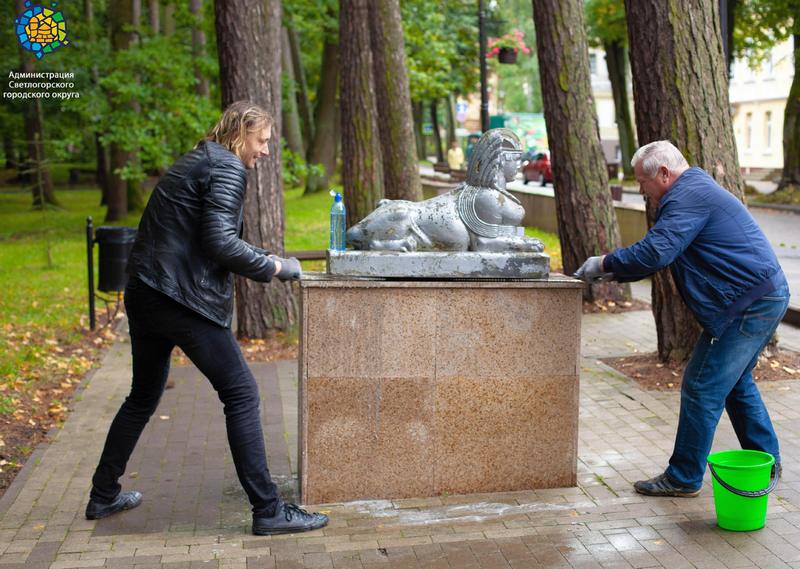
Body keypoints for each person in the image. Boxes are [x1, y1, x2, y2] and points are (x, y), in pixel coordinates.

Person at [85, 101, 329, 536]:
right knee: (241, 393)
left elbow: (205, 233)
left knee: (142, 397)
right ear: (242, 133)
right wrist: (274, 268)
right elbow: (218, 241)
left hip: (146, 291)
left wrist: (261, 255)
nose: (266, 152)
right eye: (263, 141)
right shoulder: (229, 168)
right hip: (181, 299)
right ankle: (268, 509)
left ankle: (103, 494)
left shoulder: (198, 160)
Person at [575, 140, 789, 497]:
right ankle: (767, 461)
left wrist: (605, 263)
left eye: (643, 182)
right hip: (759, 297)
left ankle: (684, 476)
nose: (642, 191)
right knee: (734, 383)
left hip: (749, 304)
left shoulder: (688, 195)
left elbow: (657, 249)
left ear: (663, 173)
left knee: (702, 383)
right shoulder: (692, 192)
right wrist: (614, 274)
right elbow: (664, 252)